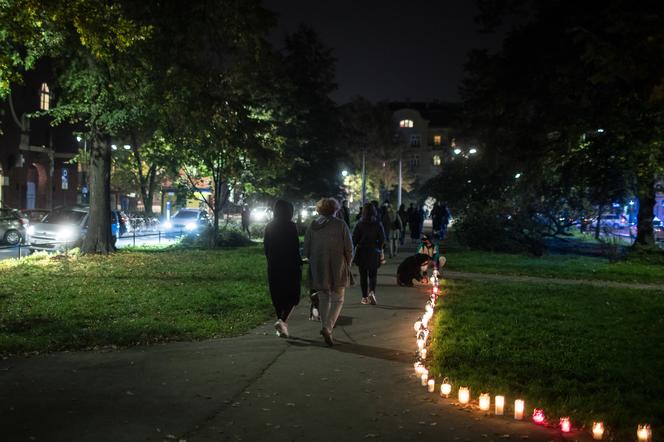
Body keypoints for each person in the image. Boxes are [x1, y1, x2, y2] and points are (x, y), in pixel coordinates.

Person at [304, 197, 353, 346]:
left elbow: (306, 249)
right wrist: (348, 263)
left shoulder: (312, 226)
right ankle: (328, 327)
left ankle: (325, 327)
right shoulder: (340, 225)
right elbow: (349, 248)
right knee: (338, 299)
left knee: (324, 298)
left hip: (318, 266)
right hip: (337, 266)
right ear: (335, 209)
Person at [264, 200, 302, 338]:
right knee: (293, 297)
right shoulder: (291, 226)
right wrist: (300, 261)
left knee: (277, 296)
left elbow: (266, 248)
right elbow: (295, 247)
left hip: (274, 266)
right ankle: (282, 321)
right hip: (290, 266)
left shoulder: (269, 226)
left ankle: (281, 325)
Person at [352, 203, 385, 305]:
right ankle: (372, 292)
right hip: (374, 251)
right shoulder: (378, 224)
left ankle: (364, 297)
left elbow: (354, 240)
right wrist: (379, 248)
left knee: (363, 275)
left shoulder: (359, 224)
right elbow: (383, 239)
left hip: (362, 251)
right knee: (373, 275)